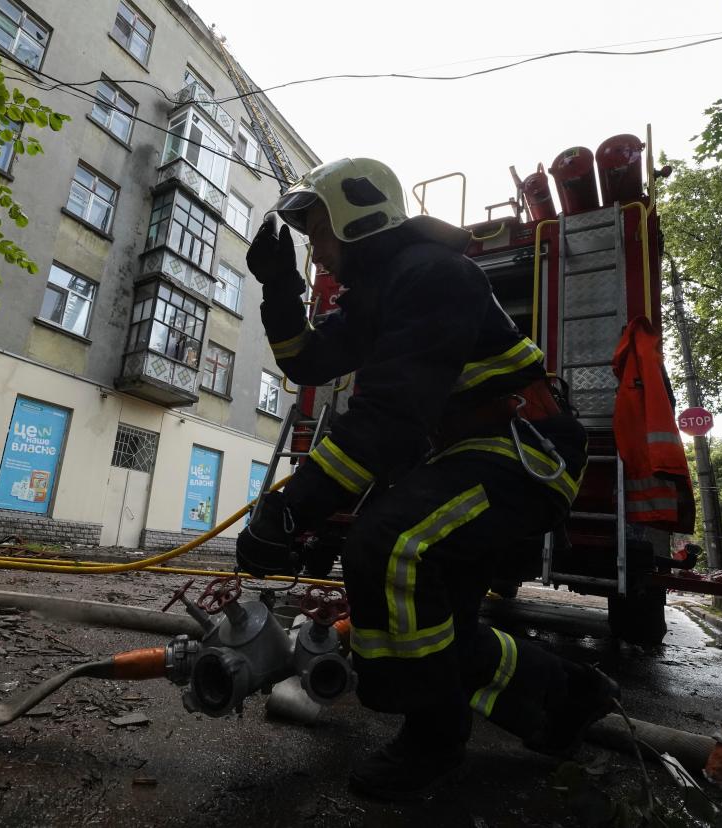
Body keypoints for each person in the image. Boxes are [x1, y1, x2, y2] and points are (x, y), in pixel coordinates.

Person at [234, 157, 618, 800]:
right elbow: (310, 361)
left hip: (522, 453)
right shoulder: (383, 290)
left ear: (356, 216)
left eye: (316, 228)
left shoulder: (434, 276)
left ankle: (432, 740)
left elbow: (387, 423)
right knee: (435, 622)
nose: (312, 247)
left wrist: (289, 511)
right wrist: (279, 289)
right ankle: (568, 697)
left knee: (391, 546)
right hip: (470, 454)